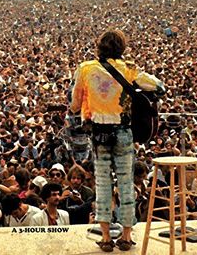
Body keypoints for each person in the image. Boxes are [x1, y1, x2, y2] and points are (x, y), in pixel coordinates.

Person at [70, 30, 165, 252]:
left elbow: (74, 103)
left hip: (99, 134)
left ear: (99, 46)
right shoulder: (129, 68)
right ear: (122, 47)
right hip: (123, 133)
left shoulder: (86, 69)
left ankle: (105, 238)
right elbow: (159, 87)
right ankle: (126, 236)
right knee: (125, 185)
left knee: (103, 185)